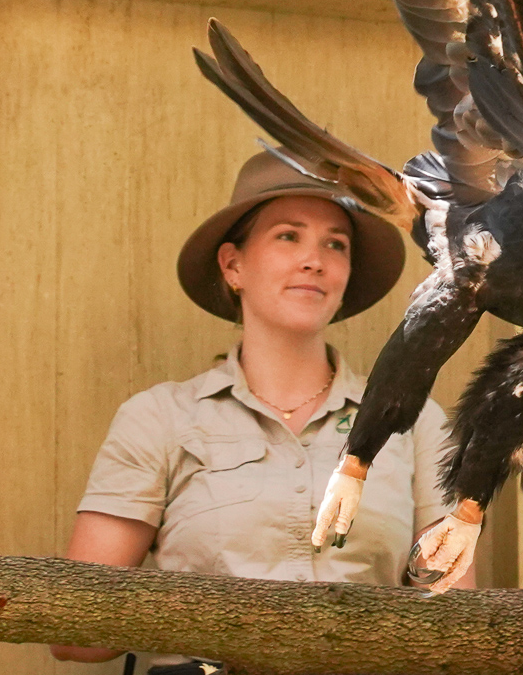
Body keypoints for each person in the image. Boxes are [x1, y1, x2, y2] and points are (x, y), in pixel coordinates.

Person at [52, 153, 453, 667]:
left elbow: (451, 623)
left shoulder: (415, 424)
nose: (315, 259)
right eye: (289, 236)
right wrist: (229, 621)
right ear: (233, 265)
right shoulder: (159, 419)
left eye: (336, 244)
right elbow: (76, 633)